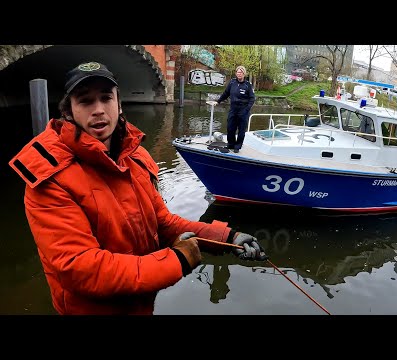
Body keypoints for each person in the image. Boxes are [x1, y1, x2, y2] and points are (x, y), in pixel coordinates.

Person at [8, 61, 266, 315]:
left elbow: (162, 223)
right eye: (85, 101)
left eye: (106, 98)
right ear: (68, 112)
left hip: (139, 305)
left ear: (119, 104)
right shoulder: (49, 177)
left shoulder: (135, 157)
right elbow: (80, 268)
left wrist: (227, 238)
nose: (98, 110)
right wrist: (176, 261)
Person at [213, 65, 255, 153]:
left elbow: (252, 99)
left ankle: (238, 146)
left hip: (243, 110)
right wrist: (219, 101)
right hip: (233, 109)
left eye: (241, 72)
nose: (239, 74)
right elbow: (226, 93)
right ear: (236, 73)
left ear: (244, 74)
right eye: (238, 72)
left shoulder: (248, 85)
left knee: (241, 130)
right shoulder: (232, 83)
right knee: (230, 127)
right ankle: (231, 144)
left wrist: (247, 109)